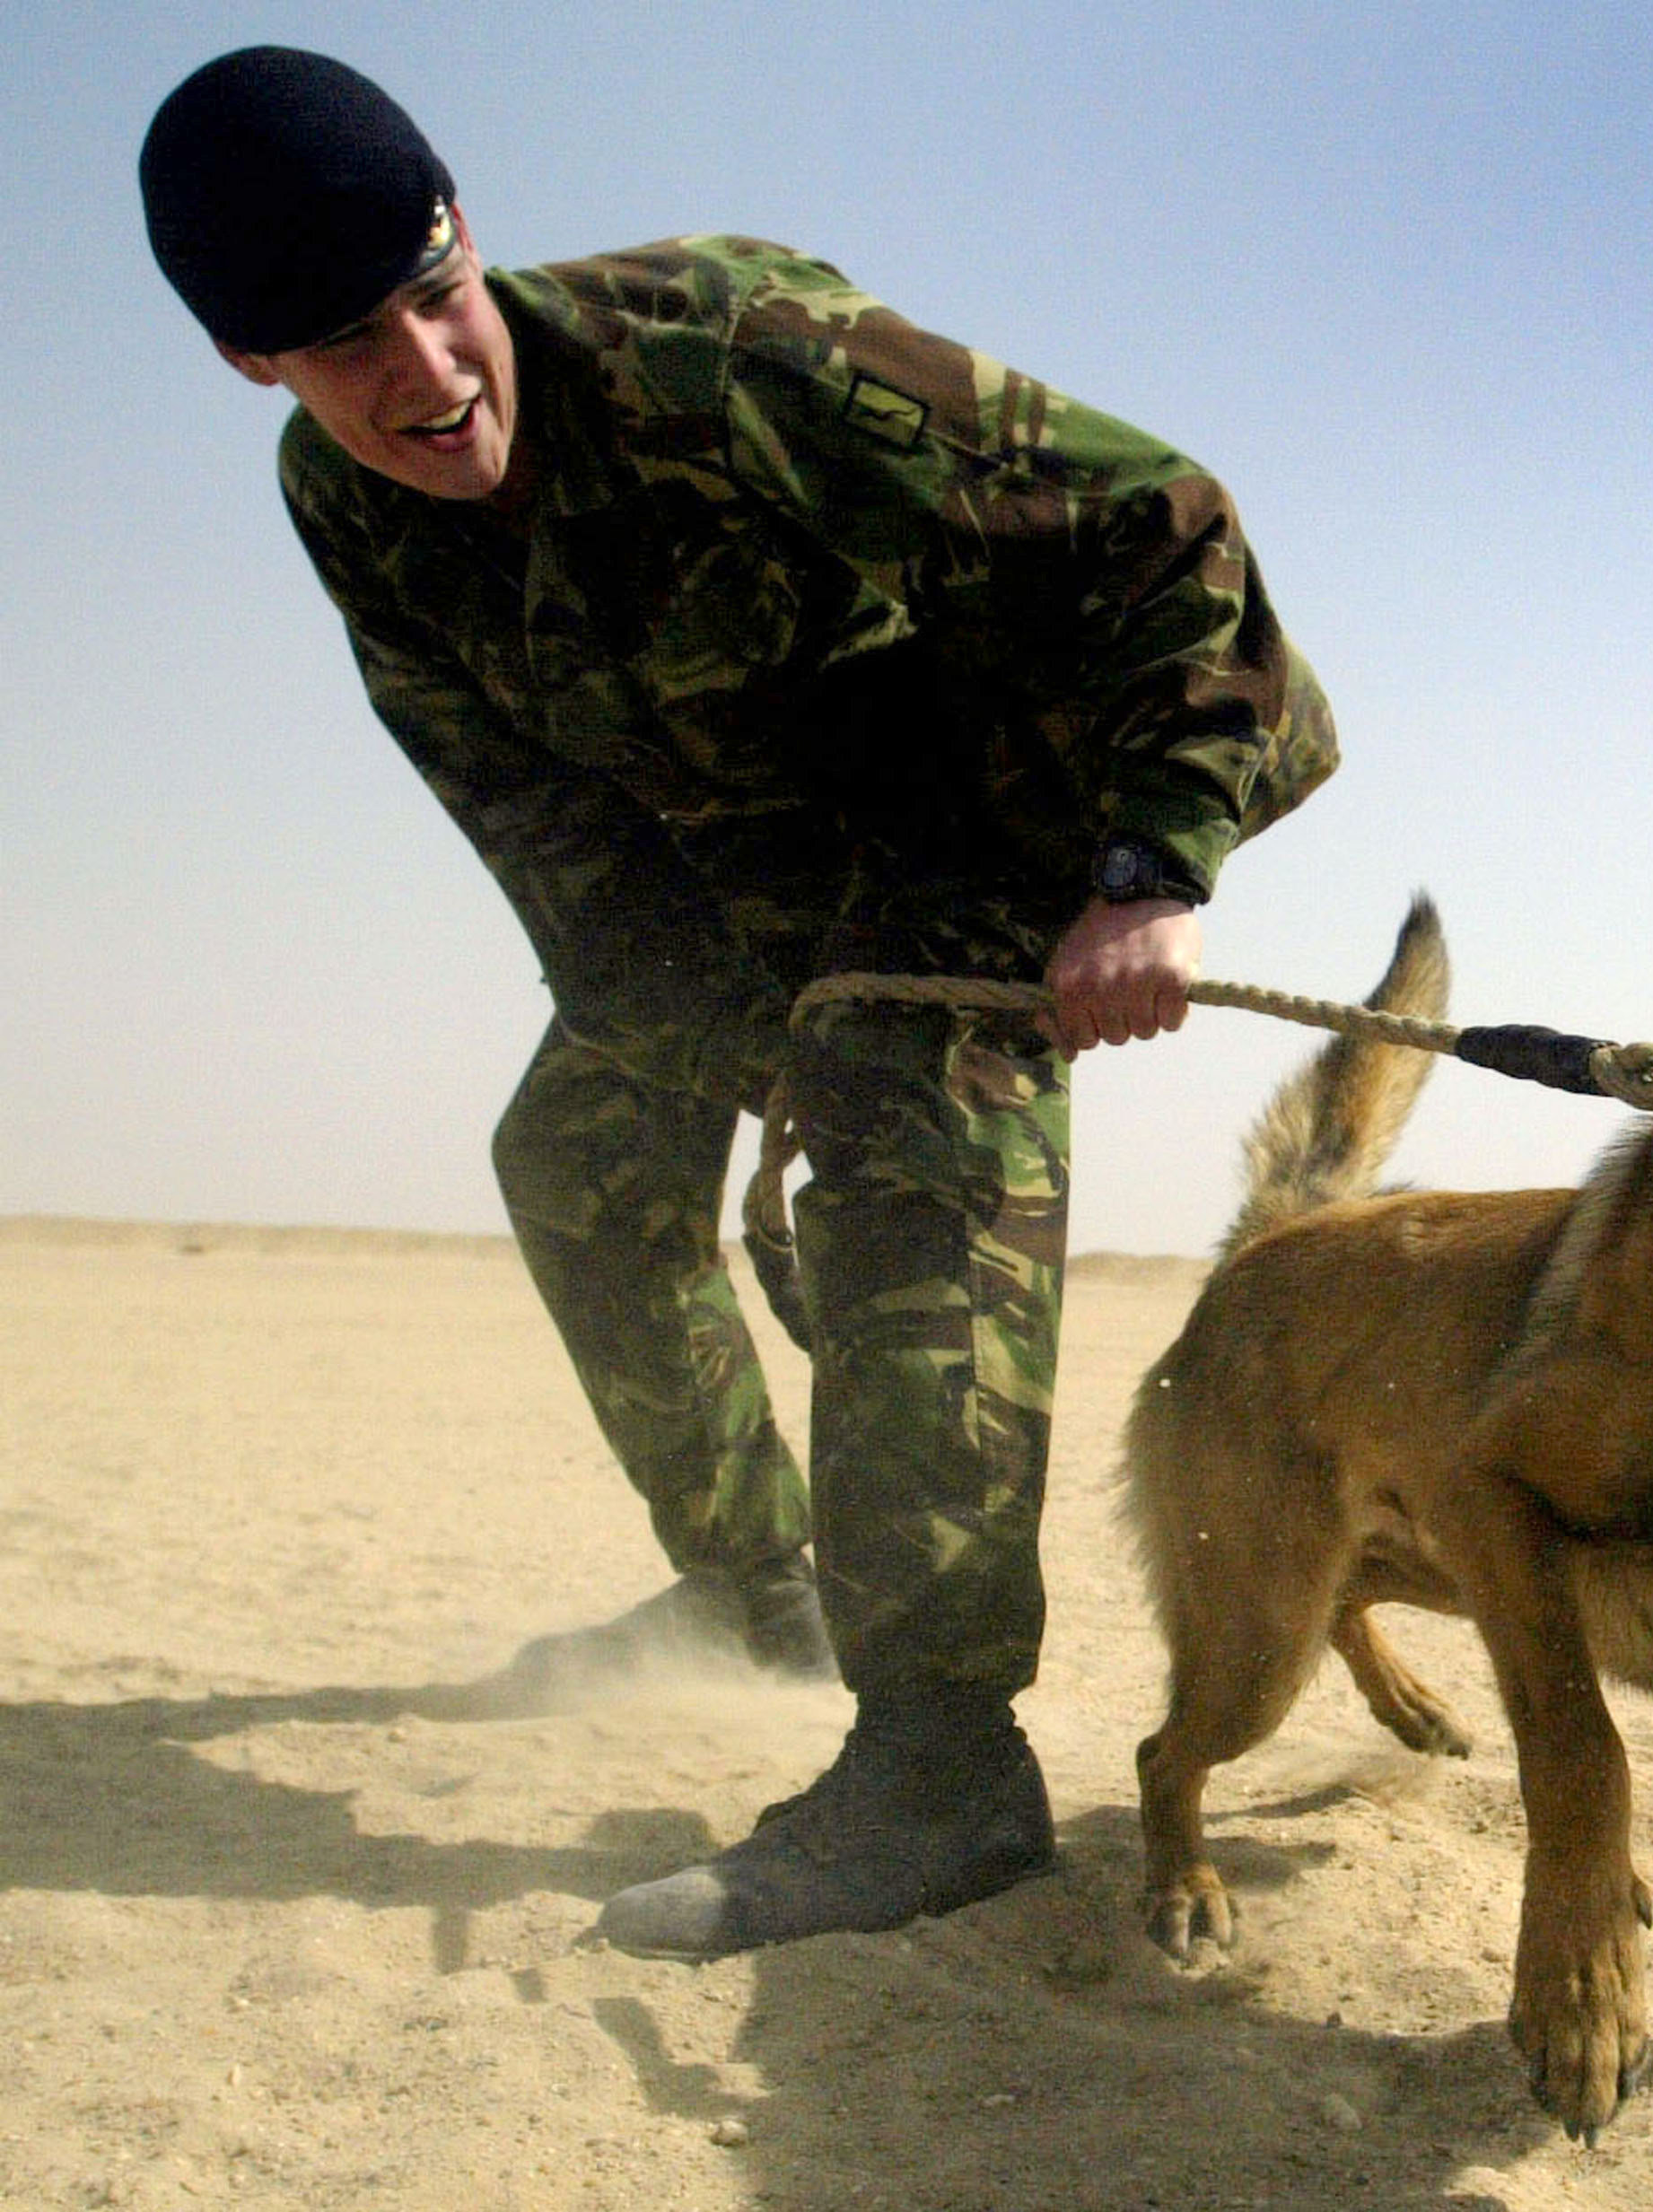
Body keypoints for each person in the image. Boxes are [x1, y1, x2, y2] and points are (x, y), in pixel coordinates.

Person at [139, 47, 1336, 1960]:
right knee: (576, 1150)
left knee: (902, 1148)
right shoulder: (348, 502)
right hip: (765, 892)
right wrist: (731, 1050)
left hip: (1026, 823)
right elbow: (541, 835)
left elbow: (1164, 527)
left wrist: (1153, 870)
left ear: (473, 241)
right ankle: (755, 1586)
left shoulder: (725, 346)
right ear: (252, 365)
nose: (432, 378)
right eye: (350, 346)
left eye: (438, 296)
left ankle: (944, 1760)